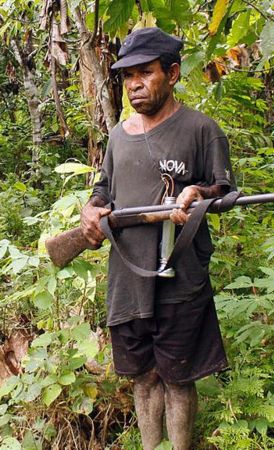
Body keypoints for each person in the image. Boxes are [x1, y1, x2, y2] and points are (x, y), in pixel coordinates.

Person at [79, 27, 234, 450]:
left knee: (178, 378)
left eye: (145, 73)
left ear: (173, 73)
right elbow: (102, 189)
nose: (134, 84)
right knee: (143, 378)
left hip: (180, 280)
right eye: (128, 76)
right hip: (127, 279)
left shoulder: (202, 130)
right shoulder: (117, 135)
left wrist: (197, 192)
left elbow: (225, 189)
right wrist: (90, 211)